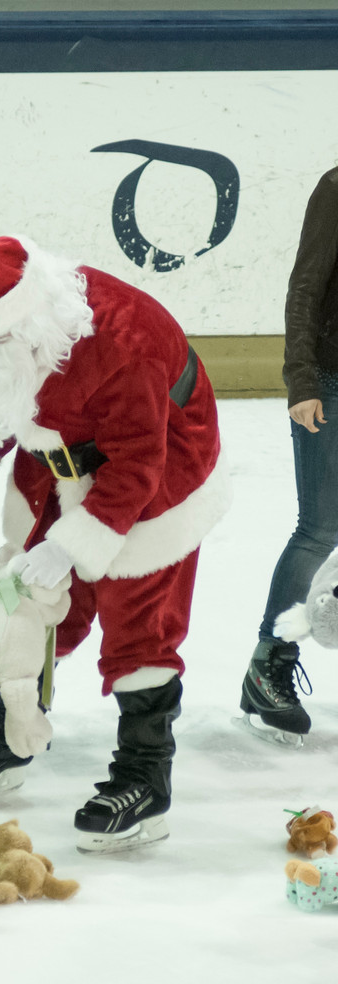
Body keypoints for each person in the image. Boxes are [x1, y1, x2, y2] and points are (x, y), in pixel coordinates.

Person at [0, 235, 231, 852]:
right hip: (61, 461)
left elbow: (138, 462)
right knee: (33, 601)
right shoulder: (0, 335)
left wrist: (71, 546)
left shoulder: (123, 342)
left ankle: (146, 777)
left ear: (30, 317)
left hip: (159, 471)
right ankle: (16, 729)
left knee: (138, 618)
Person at [238, 167, 338, 748]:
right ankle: (268, 666)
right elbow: (306, 287)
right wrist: (302, 378)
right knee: (321, 528)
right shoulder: (337, 188)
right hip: (332, 382)